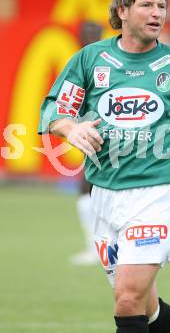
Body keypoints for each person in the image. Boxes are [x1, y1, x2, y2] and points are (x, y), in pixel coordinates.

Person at [39, 0, 170, 333]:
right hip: (105, 194)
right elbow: (55, 109)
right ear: (122, 9)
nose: (157, 13)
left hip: (156, 193)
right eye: (147, 4)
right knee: (145, 307)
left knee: (126, 299)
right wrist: (69, 128)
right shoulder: (90, 60)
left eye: (162, 6)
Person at [70, 21, 103, 265]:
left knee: (89, 189)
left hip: (104, 135)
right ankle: (99, 247)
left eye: (91, 35)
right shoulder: (83, 62)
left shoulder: (97, 63)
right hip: (90, 132)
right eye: (85, 35)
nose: (87, 39)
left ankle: (98, 249)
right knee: (89, 190)